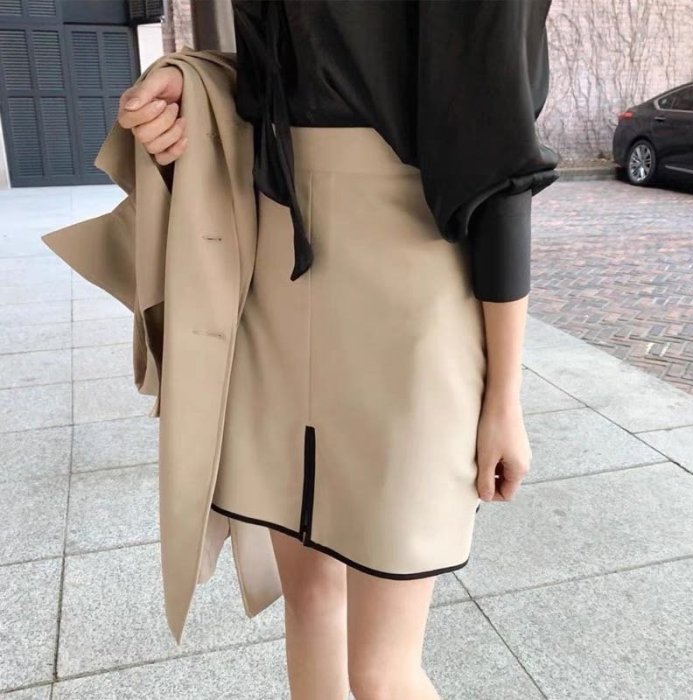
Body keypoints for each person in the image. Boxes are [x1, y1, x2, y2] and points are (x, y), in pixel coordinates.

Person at [117, 1, 558, 698]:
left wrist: (504, 396)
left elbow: (496, 142)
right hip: (274, 265)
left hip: (410, 276)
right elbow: (296, 68)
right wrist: (199, 88)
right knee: (310, 601)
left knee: (382, 670)